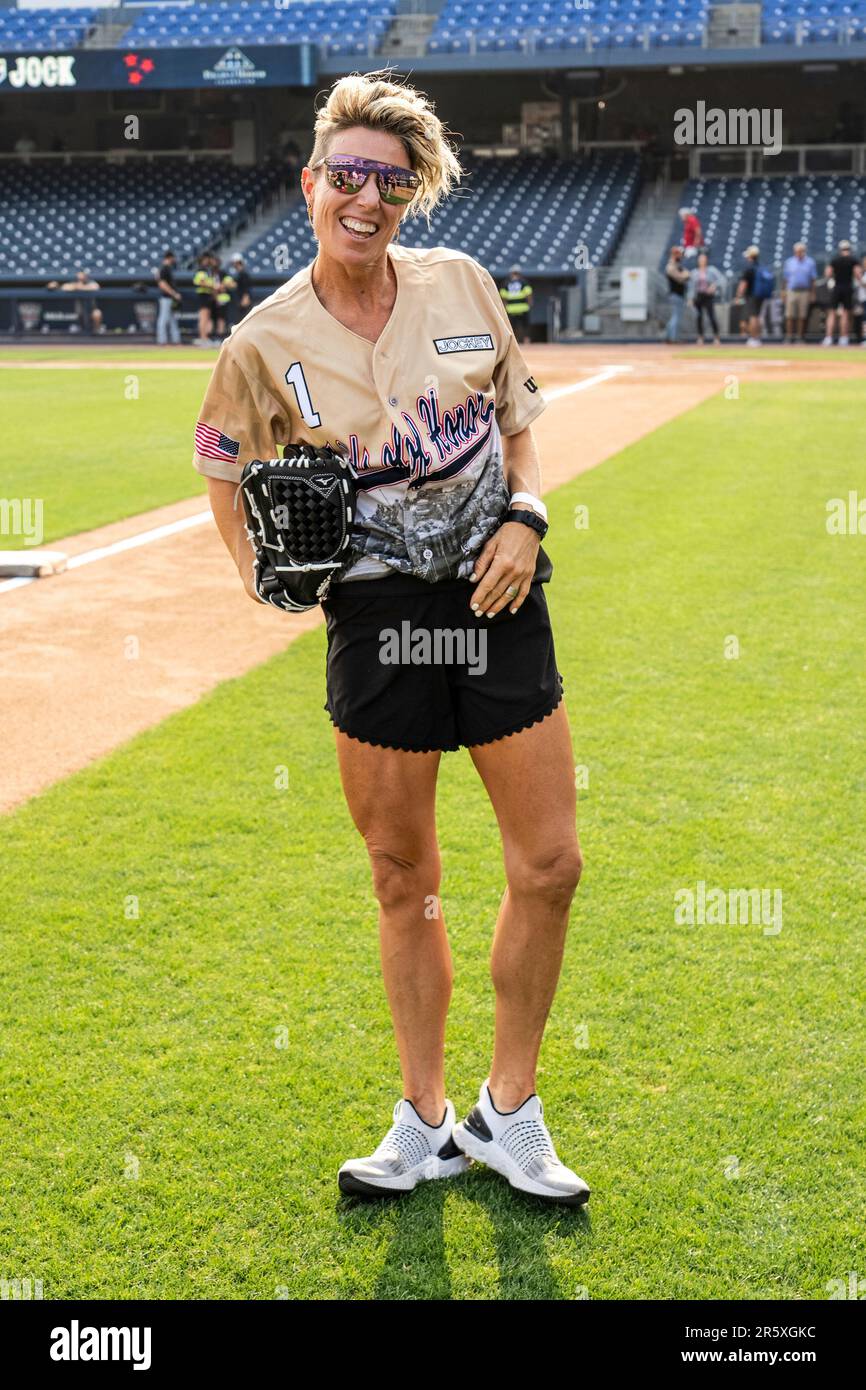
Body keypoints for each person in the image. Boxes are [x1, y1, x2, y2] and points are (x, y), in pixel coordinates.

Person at [193, 71, 590, 1206]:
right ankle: (424, 1121)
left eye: (391, 182)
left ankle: (509, 1112)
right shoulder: (261, 342)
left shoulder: (462, 282)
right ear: (311, 183)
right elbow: (219, 466)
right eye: (348, 176)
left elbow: (519, 424)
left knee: (550, 865)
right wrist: (260, 574)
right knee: (402, 874)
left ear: (410, 196)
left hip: (496, 593)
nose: (366, 199)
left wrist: (525, 514)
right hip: (374, 616)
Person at [734, 246, 773, 347]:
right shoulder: (759, 267)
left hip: (752, 295)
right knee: (757, 316)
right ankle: (757, 338)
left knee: (752, 317)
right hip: (760, 296)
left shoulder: (749, 268)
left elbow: (743, 283)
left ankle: (753, 338)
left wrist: (738, 296)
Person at [46, 269, 103, 334]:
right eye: (79, 278)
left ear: (86, 277)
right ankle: (79, 328)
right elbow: (65, 287)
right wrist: (77, 286)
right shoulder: (74, 283)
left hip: (91, 309)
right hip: (79, 310)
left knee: (97, 313)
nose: (80, 280)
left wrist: (79, 287)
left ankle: (96, 331)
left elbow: (96, 287)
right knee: (77, 312)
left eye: (82, 278)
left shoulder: (91, 282)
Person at [823, 239, 856, 346]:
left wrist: (833, 277)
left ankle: (828, 338)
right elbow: (858, 274)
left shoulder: (835, 259)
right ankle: (843, 338)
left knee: (832, 313)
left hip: (837, 287)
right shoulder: (852, 260)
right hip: (847, 287)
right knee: (845, 314)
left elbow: (828, 273)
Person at [782, 241, 816, 344]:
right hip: (791, 291)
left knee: (802, 316)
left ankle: (800, 337)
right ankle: (789, 336)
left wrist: (813, 293)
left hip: (805, 291)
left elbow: (813, 279)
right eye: (797, 251)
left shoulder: (810, 262)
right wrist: (783, 292)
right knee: (789, 315)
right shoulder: (789, 262)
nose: (799, 253)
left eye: (801, 251)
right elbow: (785, 279)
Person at [688, 250, 722, 345]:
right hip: (698, 296)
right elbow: (691, 287)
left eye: (704, 259)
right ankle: (700, 337)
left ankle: (716, 336)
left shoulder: (712, 270)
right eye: (700, 259)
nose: (702, 261)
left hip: (708, 296)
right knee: (699, 317)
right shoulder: (694, 272)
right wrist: (690, 298)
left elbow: (721, 280)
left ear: (706, 260)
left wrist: (714, 286)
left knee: (711, 316)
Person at [499, 265, 533, 344]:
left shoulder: (506, 283)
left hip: (511, 308)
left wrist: (505, 306)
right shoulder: (523, 282)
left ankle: (515, 341)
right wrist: (530, 303)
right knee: (524, 325)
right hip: (523, 307)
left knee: (513, 326)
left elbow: (503, 296)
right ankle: (526, 340)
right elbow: (528, 294)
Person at [155, 249, 182, 345]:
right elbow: (162, 284)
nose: (174, 260)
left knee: (172, 320)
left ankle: (176, 340)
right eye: (173, 258)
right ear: (170, 257)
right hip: (166, 297)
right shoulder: (164, 268)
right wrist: (174, 294)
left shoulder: (167, 268)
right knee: (163, 319)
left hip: (170, 298)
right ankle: (162, 341)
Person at [663, 245, 689, 342]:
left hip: (678, 294)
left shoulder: (677, 266)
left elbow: (686, 274)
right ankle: (673, 338)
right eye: (678, 254)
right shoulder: (671, 266)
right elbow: (682, 278)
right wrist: (685, 274)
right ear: (674, 255)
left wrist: (685, 274)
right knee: (676, 317)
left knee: (674, 316)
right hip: (675, 294)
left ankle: (668, 337)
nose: (680, 256)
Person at [192, 253, 217, 345]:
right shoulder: (201, 270)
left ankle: (205, 337)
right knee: (203, 317)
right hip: (203, 295)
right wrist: (213, 286)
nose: (208, 261)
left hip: (208, 295)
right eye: (206, 259)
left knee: (207, 317)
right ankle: (203, 338)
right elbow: (202, 282)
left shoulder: (207, 270)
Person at [228, 254, 252, 325]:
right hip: (239, 300)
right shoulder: (239, 274)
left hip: (243, 300)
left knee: (244, 320)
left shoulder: (243, 274)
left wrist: (245, 298)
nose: (233, 265)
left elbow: (246, 288)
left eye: (234, 263)